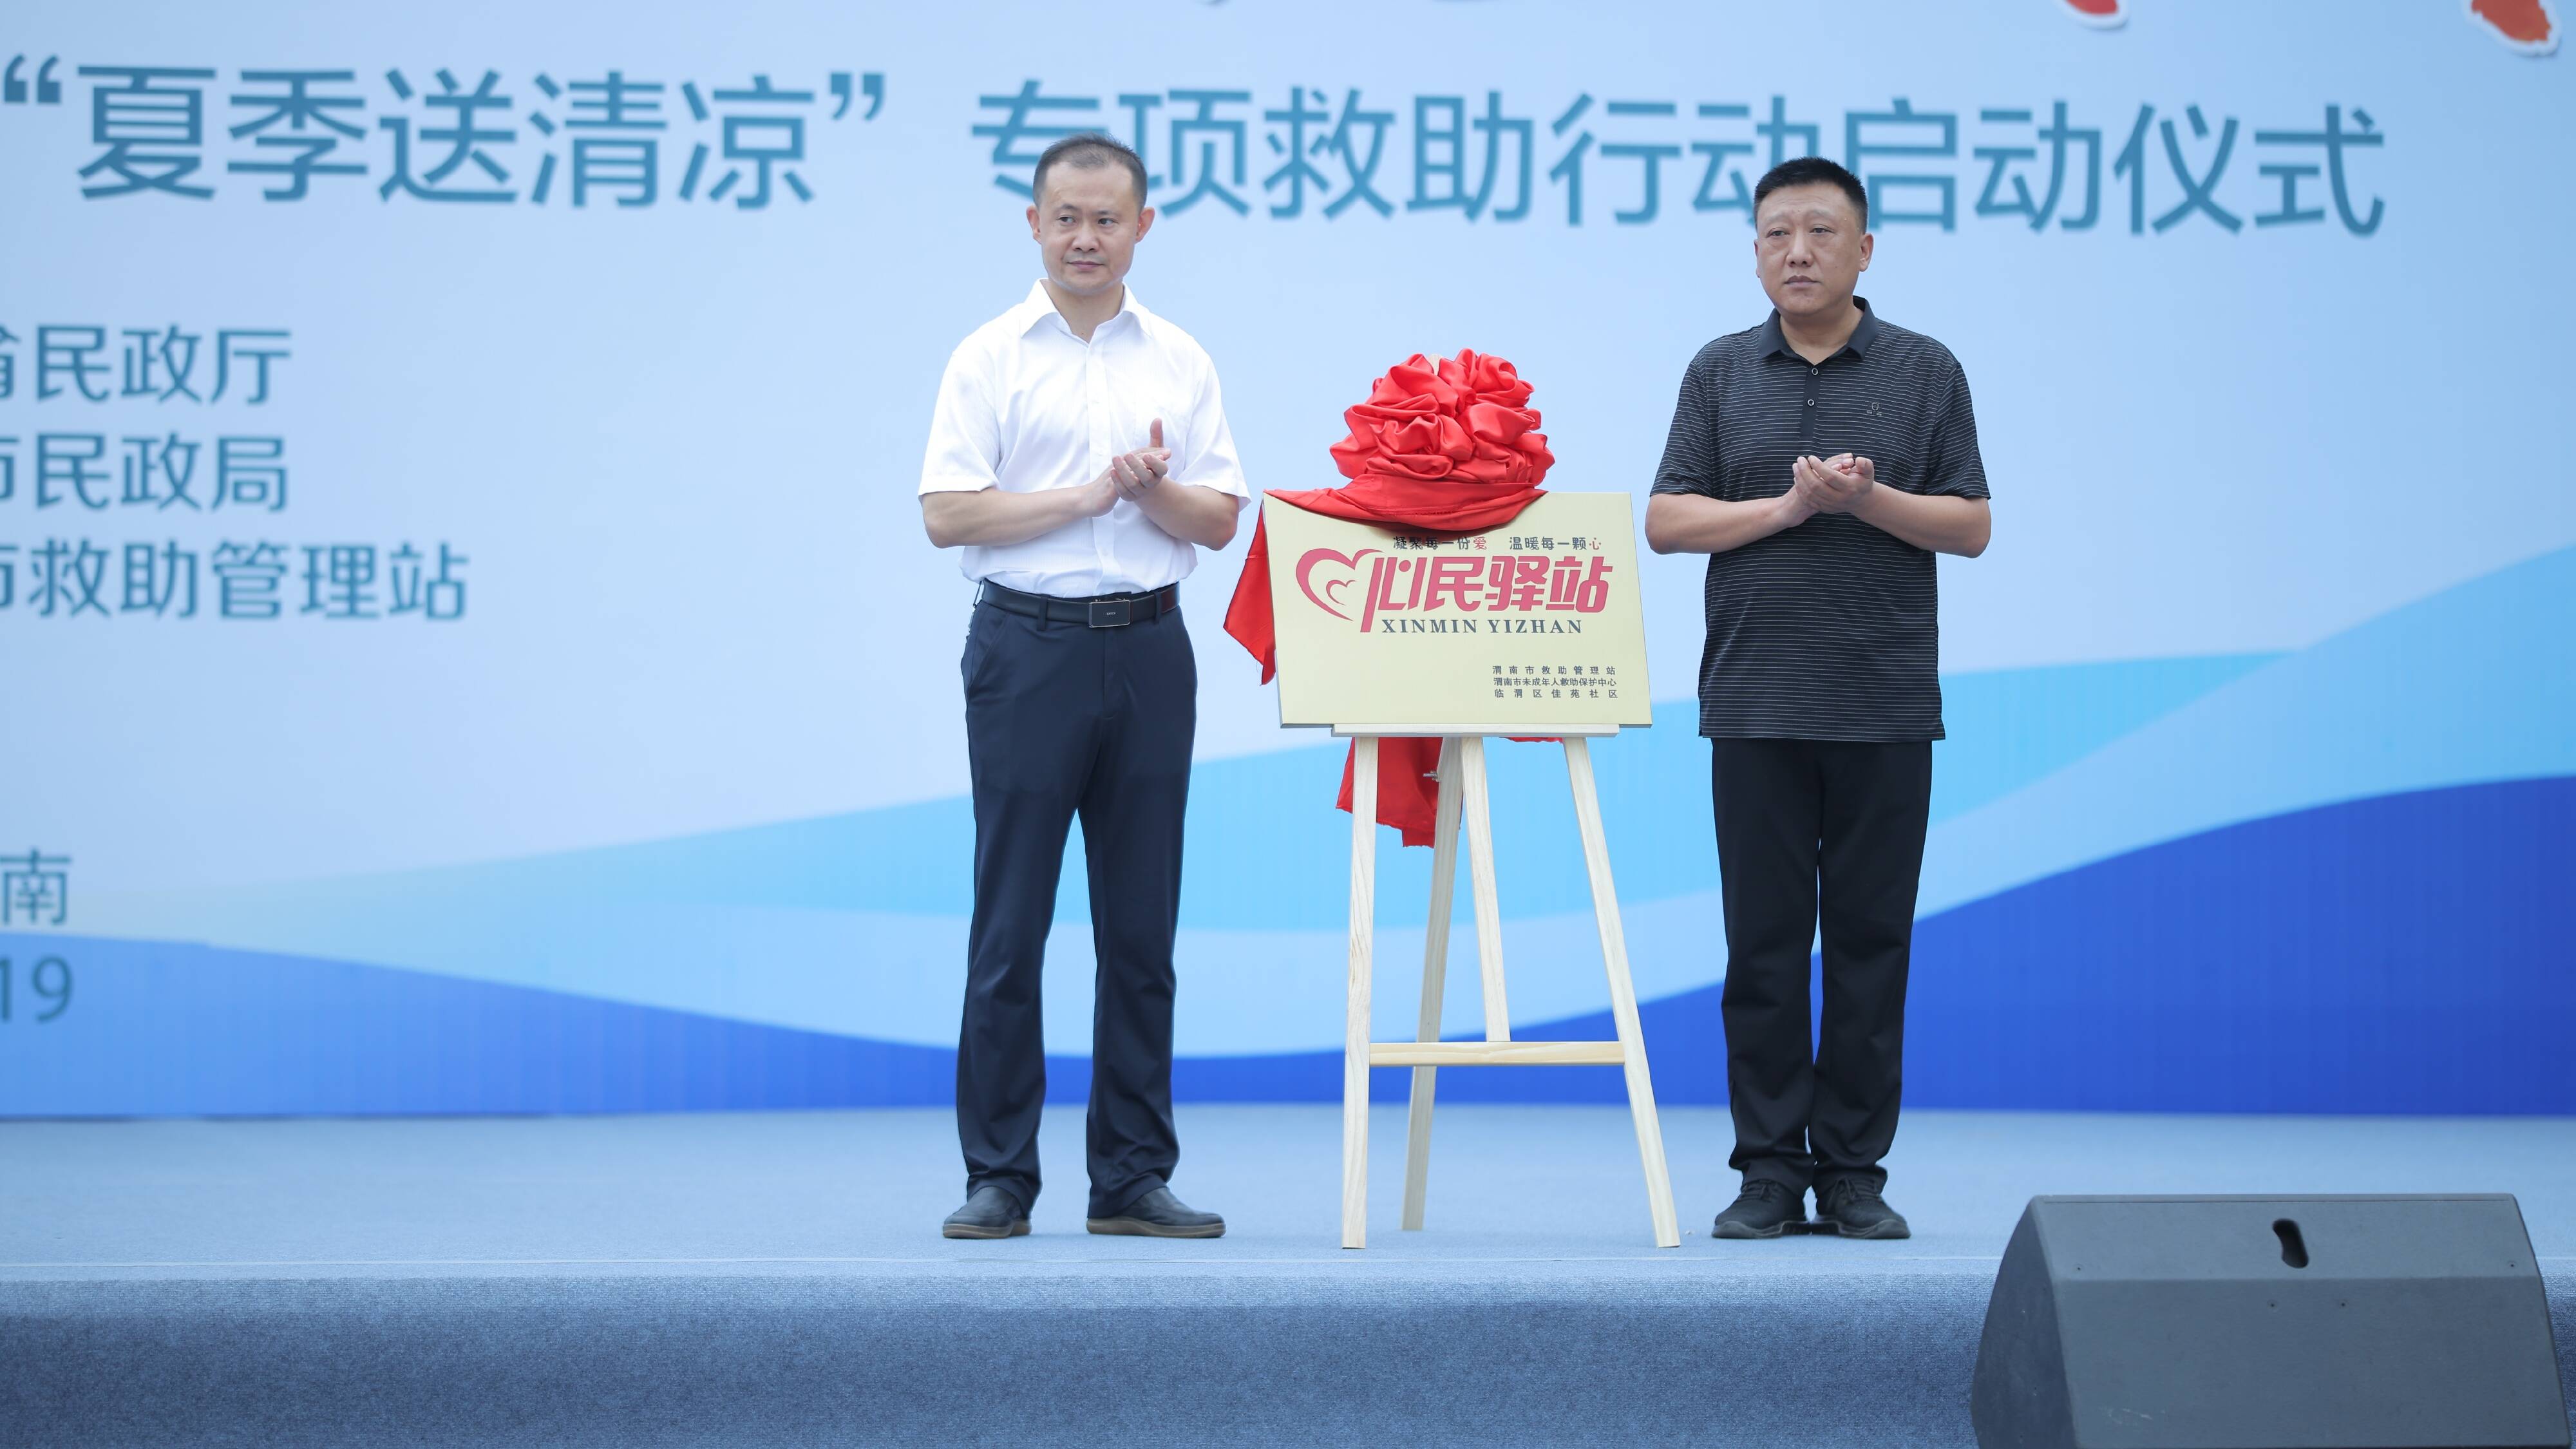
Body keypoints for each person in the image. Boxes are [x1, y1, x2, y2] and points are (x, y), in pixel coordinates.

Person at [1644, 156, 1993, 1241]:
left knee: (1869, 946)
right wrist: (1787, 510)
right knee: (1761, 949)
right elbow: (1665, 519)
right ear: (1755, 251)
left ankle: (1851, 1172)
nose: (1797, 252)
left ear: (1865, 250)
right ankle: (1766, 1169)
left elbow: (1972, 525)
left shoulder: (1925, 370)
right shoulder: (1720, 370)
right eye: (1776, 234)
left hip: (1885, 702)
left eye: (1821, 232)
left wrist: (1867, 499)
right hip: (1753, 700)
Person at [917, 131, 1247, 1240]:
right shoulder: (989, 356)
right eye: (1067, 217)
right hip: (1028, 649)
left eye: (1108, 219)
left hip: (1150, 649)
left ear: (1143, 226)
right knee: (1011, 923)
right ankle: (1000, 1175)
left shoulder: (1181, 359)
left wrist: (1148, 494)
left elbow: (1219, 517)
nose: (1086, 238)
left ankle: (1132, 1177)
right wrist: (1088, 493)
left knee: (1141, 927)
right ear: (1033, 223)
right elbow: (947, 513)